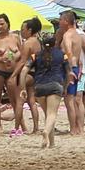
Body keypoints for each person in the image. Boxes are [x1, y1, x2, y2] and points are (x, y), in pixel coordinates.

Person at [25, 18, 66, 148]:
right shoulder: (62, 54)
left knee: (48, 116)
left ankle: (51, 143)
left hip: (39, 87)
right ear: (55, 43)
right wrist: (65, 86)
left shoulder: (35, 56)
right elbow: (69, 72)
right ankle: (46, 132)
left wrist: (21, 87)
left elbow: (24, 70)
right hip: (55, 84)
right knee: (52, 114)